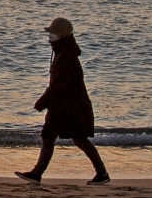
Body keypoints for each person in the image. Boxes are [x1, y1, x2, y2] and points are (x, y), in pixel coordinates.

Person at [16, 17, 109, 184]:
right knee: (68, 138)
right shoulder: (62, 52)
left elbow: (59, 85)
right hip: (65, 105)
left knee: (58, 136)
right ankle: (101, 174)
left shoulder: (66, 55)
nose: (49, 36)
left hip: (69, 106)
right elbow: (57, 85)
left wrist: (42, 102)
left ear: (60, 35)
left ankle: (37, 174)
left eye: (52, 33)